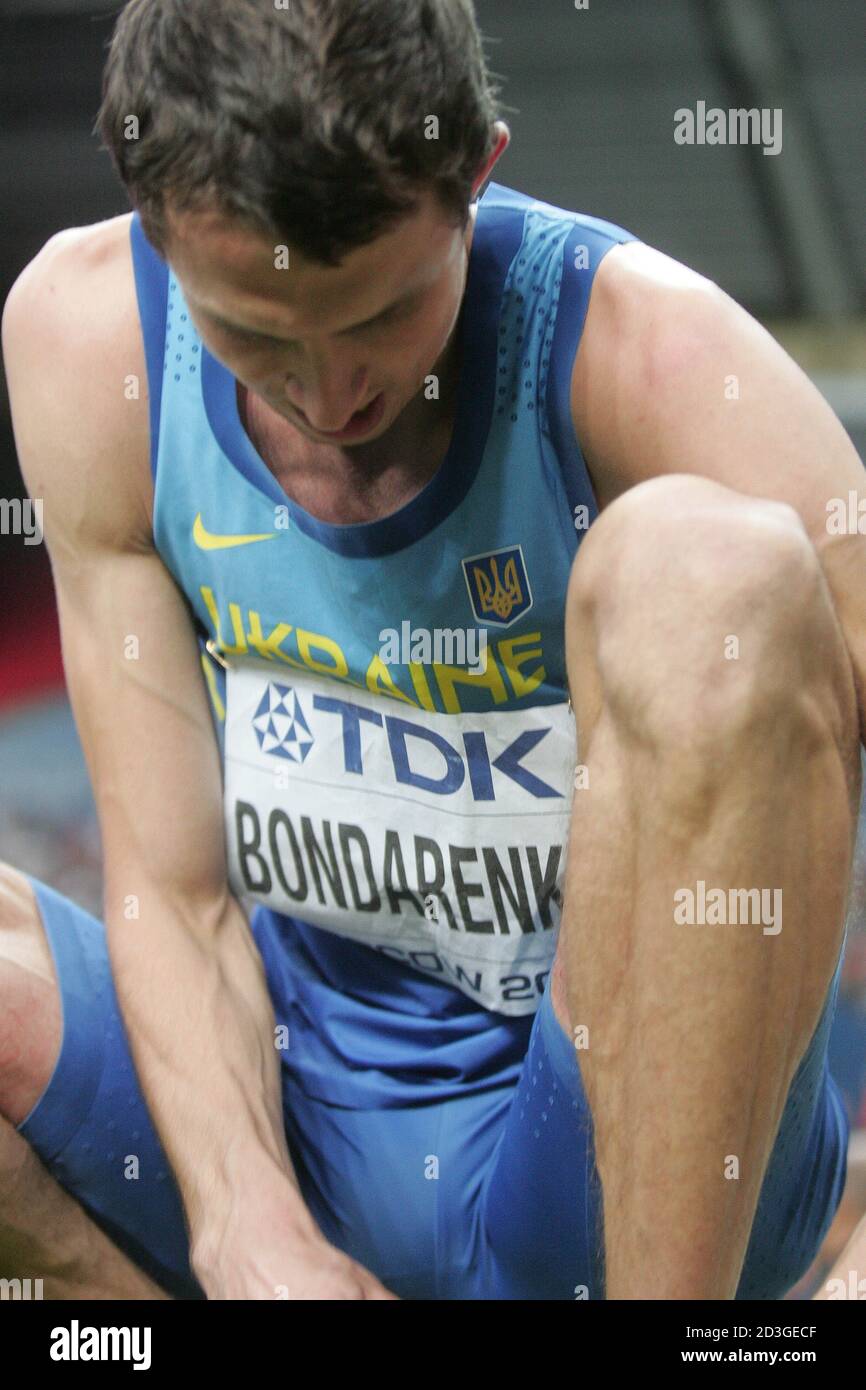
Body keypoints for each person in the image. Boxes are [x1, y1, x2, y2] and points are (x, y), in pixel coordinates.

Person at [1, 0, 863, 1300]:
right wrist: (248, 1226)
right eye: (254, 333)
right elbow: (171, 888)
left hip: (622, 1160)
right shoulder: (86, 340)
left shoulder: (660, 359)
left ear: (477, 174)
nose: (329, 393)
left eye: (382, 314)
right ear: (155, 223)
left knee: (711, 569)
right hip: (295, 1111)